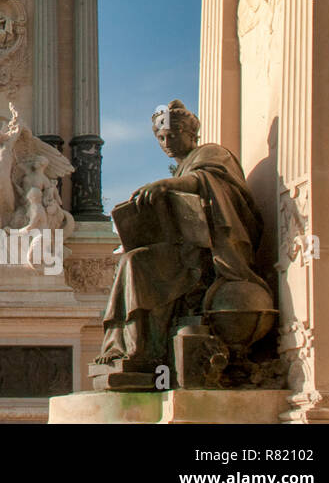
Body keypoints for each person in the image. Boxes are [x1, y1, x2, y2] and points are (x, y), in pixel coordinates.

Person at [96, 100, 271, 371]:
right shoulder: (183, 167)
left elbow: (205, 179)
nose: (167, 142)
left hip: (212, 254)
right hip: (187, 251)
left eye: (173, 135)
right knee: (132, 259)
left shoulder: (211, 153)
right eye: (162, 137)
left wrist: (167, 184)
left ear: (191, 134)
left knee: (136, 263)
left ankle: (139, 351)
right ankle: (125, 346)